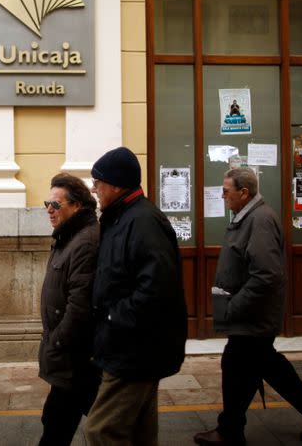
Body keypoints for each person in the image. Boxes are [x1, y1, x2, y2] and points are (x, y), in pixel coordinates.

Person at [194, 168, 302, 446]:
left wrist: (234, 306)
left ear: (243, 192)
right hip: (251, 317)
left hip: (252, 317)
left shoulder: (259, 221)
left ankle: (230, 430)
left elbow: (267, 274)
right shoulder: (248, 217)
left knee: (236, 366)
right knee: (265, 367)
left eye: (226, 190)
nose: (222, 196)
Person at [84, 146, 188, 446]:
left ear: (116, 185)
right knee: (139, 431)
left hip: (134, 348)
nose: (94, 189)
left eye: (98, 182)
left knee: (101, 430)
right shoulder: (120, 217)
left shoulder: (143, 222)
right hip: (130, 346)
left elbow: (157, 290)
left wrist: (113, 315)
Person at [37, 173, 101, 446]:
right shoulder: (67, 236)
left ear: (76, 206)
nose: (50, 210)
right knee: (61, 420)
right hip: (68, 354)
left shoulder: (84, 242)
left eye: (56, 205)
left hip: (73, 355)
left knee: (56, 423)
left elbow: (80, 304)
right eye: (47, 204)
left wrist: (57, 342)